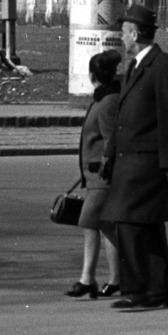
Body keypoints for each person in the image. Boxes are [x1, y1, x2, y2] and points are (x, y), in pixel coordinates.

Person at [100, 3, 168, 311]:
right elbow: (124, 117)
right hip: (130, 163)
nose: (120, 37)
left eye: (123, 32)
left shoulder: (163, 66)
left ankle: (139, 291)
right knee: (143, 228)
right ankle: (159, 291)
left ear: (135, 34)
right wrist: (109, 155)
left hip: (148, 165)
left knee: (131, 225)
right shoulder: (137, 66)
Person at [65, 48, 123, 299]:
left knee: (88, 221)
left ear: (91, 76)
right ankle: (116, 279)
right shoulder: (103, 98)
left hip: (102, 176)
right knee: (104, 226)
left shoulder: (107, 101)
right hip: (93, 175)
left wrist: (105, 166)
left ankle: (88, 279)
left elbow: (111, 139)